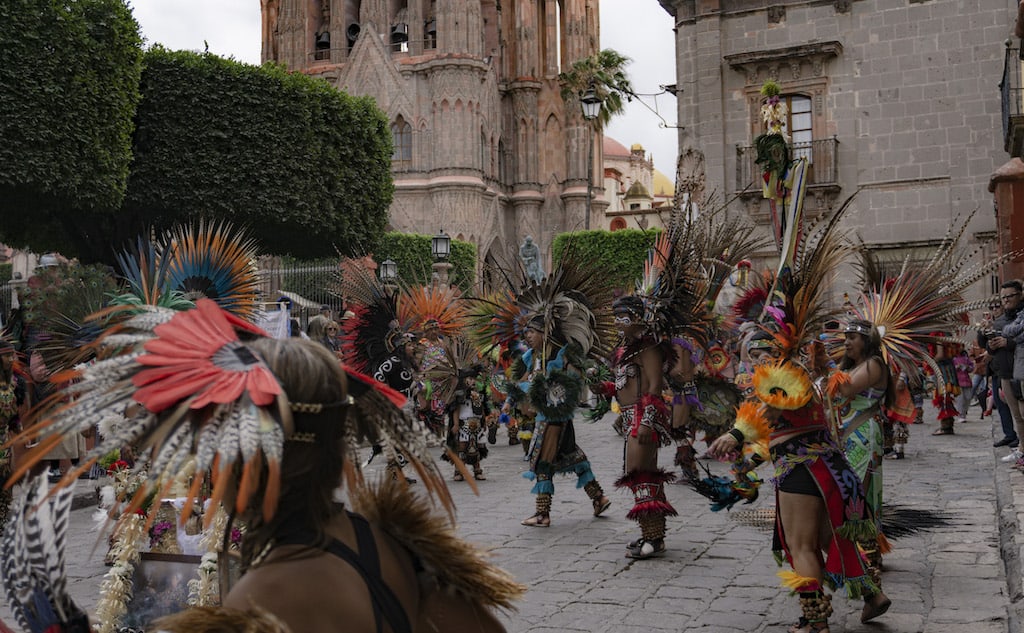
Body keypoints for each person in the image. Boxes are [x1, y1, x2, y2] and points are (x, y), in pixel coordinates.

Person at [710, 351, 890, 633]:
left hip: (803, 470)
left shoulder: (786, 377)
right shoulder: (806, 379)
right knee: (828, 539)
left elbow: (769, 412)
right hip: (832, 469)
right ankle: (873, 594)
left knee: (801, 546)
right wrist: (749, 463)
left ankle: (815, 622)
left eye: (762, 350)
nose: (757, 358)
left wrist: (734, 434)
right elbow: (778, 432)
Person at [512, 315, 610, 527]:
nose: (527, 336)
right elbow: (523, 380)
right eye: (526, 332)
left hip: (554, 417)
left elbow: (574, 382)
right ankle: (599, 498)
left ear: (545, 332)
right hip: (545, 416)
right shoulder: (534, 356)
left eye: (532, 332)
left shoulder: (561, 354)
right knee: (572, 456)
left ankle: (542, 514)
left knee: (542, 462)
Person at [610, 295, 678, 559]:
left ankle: (653, 539)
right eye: (615, 317)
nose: (617, 322)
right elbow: (623, 385)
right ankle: (651, 534)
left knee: (642, 475)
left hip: (642, 417)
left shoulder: (648, 348)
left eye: (622, 317)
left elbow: (654, 386)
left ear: (638, 319)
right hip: (630, 417)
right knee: (637, 474)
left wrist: (648, 420)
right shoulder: (627, 349)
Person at [981, 281, 1024, 462]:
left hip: (1021, 372)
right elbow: (991, 351)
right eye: (1003, 297)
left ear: (1020, 295)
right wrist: (990, 345)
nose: (1006, 300)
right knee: (1017, 416)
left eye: (1010, 296)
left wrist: (1008, 343)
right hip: (1005, 373)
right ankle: (1022, 448)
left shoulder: (1020, 318)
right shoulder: (999, 321)